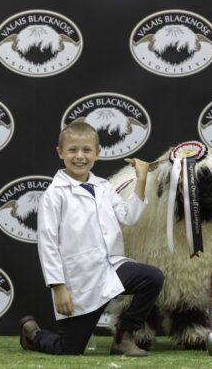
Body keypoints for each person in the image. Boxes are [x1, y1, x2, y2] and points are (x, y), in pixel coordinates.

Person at [19, 121, 164, 356]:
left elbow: (130, 217)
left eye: (87, 150)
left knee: (152, 277)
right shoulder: (54, 195)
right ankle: (34, 335)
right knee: (70, 349)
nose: (80, 156)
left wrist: (141, 179)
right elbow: (47, 244)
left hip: (110, 270)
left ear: (97, 153)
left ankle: (123, 337)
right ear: (60, 153)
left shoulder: (104, 187)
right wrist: (59, 287)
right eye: (73, 150)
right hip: (80, 282)